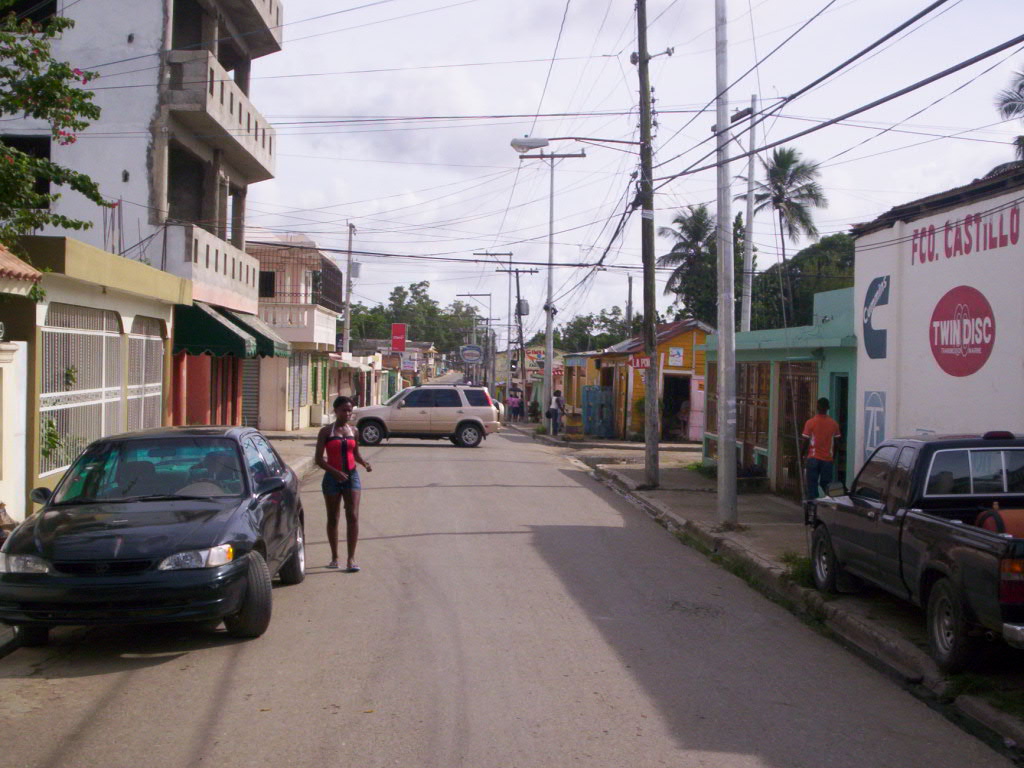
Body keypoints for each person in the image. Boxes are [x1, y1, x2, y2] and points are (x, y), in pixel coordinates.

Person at [315, 396, 373, 572]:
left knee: (353, 516)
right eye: (344, 410)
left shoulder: (353, 431)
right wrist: (335, 472)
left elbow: (355, 453)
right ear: (336, 411)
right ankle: (334, 557)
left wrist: (364, 463)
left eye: (350, 410)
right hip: (332, 478)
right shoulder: (326, 432)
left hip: (351, 476)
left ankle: (351, 558)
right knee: (333, 517)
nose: (347, 413)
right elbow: (318, 459)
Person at [801, 397, 842, 503]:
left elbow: (805, 441)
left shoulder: (810, 423)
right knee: (826, 484)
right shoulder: (834, 424)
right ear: (828, 408)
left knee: (812, 485)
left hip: (813, 458)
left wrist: (801, 456)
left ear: (817, 407)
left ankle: (813, 506)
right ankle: (832, 502)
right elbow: (837, 442)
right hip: (827, 459)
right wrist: (834, 457)